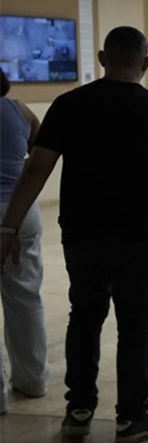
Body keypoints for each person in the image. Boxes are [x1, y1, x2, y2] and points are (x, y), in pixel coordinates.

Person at [0, 26, 148, 443]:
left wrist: (8, 226)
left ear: (101, 58)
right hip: (140, 233)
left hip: (83, 232)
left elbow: (37, 167)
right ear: (146, 63)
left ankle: (78, 410)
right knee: (136, 323)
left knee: (85, 316)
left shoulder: (69, 104)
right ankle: (132, 416)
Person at [0, 67, 49, 413]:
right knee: (25, 297)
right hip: (20, 213)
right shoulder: (20, 110)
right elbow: (40, 152)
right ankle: (32, 381)